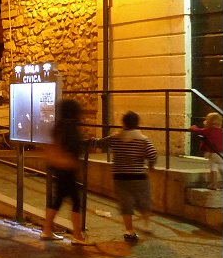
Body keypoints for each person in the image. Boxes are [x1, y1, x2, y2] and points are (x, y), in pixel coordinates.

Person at [94, 111, 157, 242]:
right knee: (143, 200)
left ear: (123, 123)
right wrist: (151, 166)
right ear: (137, 123)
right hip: (139, 176)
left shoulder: (116, 138)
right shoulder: (143, 140)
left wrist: (88, 142)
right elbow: (152, 155)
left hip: (120, 176)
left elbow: (100, 143)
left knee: (125, 204)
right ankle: (147, 225)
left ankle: (129, 231)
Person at [40, 99, 93, 245]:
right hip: (68, 169)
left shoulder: (58, 126)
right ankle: (77, 236)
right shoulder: (71, 128)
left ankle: (47, 230)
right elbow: (73, 149)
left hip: (59, 169)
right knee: (75, 201)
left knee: (57, 200)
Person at [190, 112, 223, 191]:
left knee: (213, 169)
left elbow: (198, 131)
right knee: (222, 168)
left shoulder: (208, 130)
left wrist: (193, 127)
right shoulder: (222, 131)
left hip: (212, 153)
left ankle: (214, 185)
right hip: (221, 153)